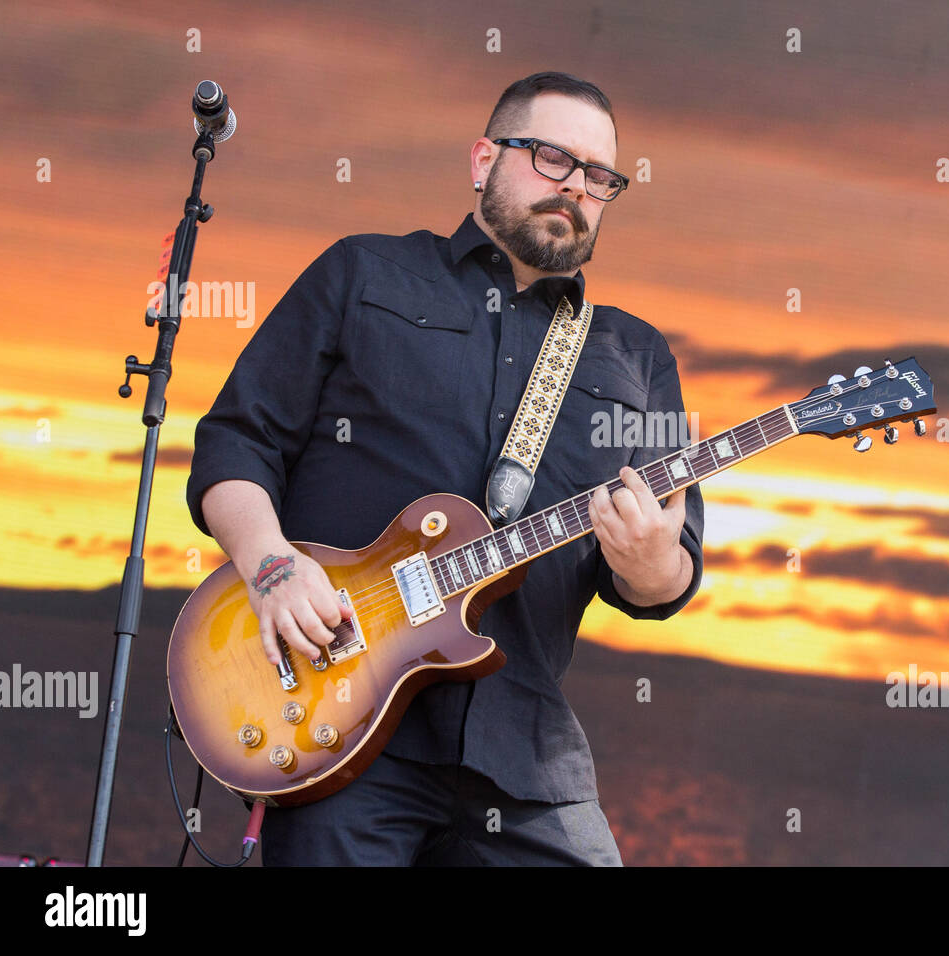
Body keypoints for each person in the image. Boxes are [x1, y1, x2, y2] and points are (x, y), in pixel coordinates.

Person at [185, 71, 704, 866]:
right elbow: (236, 442)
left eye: (600, 179)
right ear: (483, 158)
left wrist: (653, 562)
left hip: (524, 754)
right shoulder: (364, 274)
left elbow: (668, 578)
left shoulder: (637, 357)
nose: (576, 190)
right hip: (342, 732)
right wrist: (272, 568)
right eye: (552, 159)